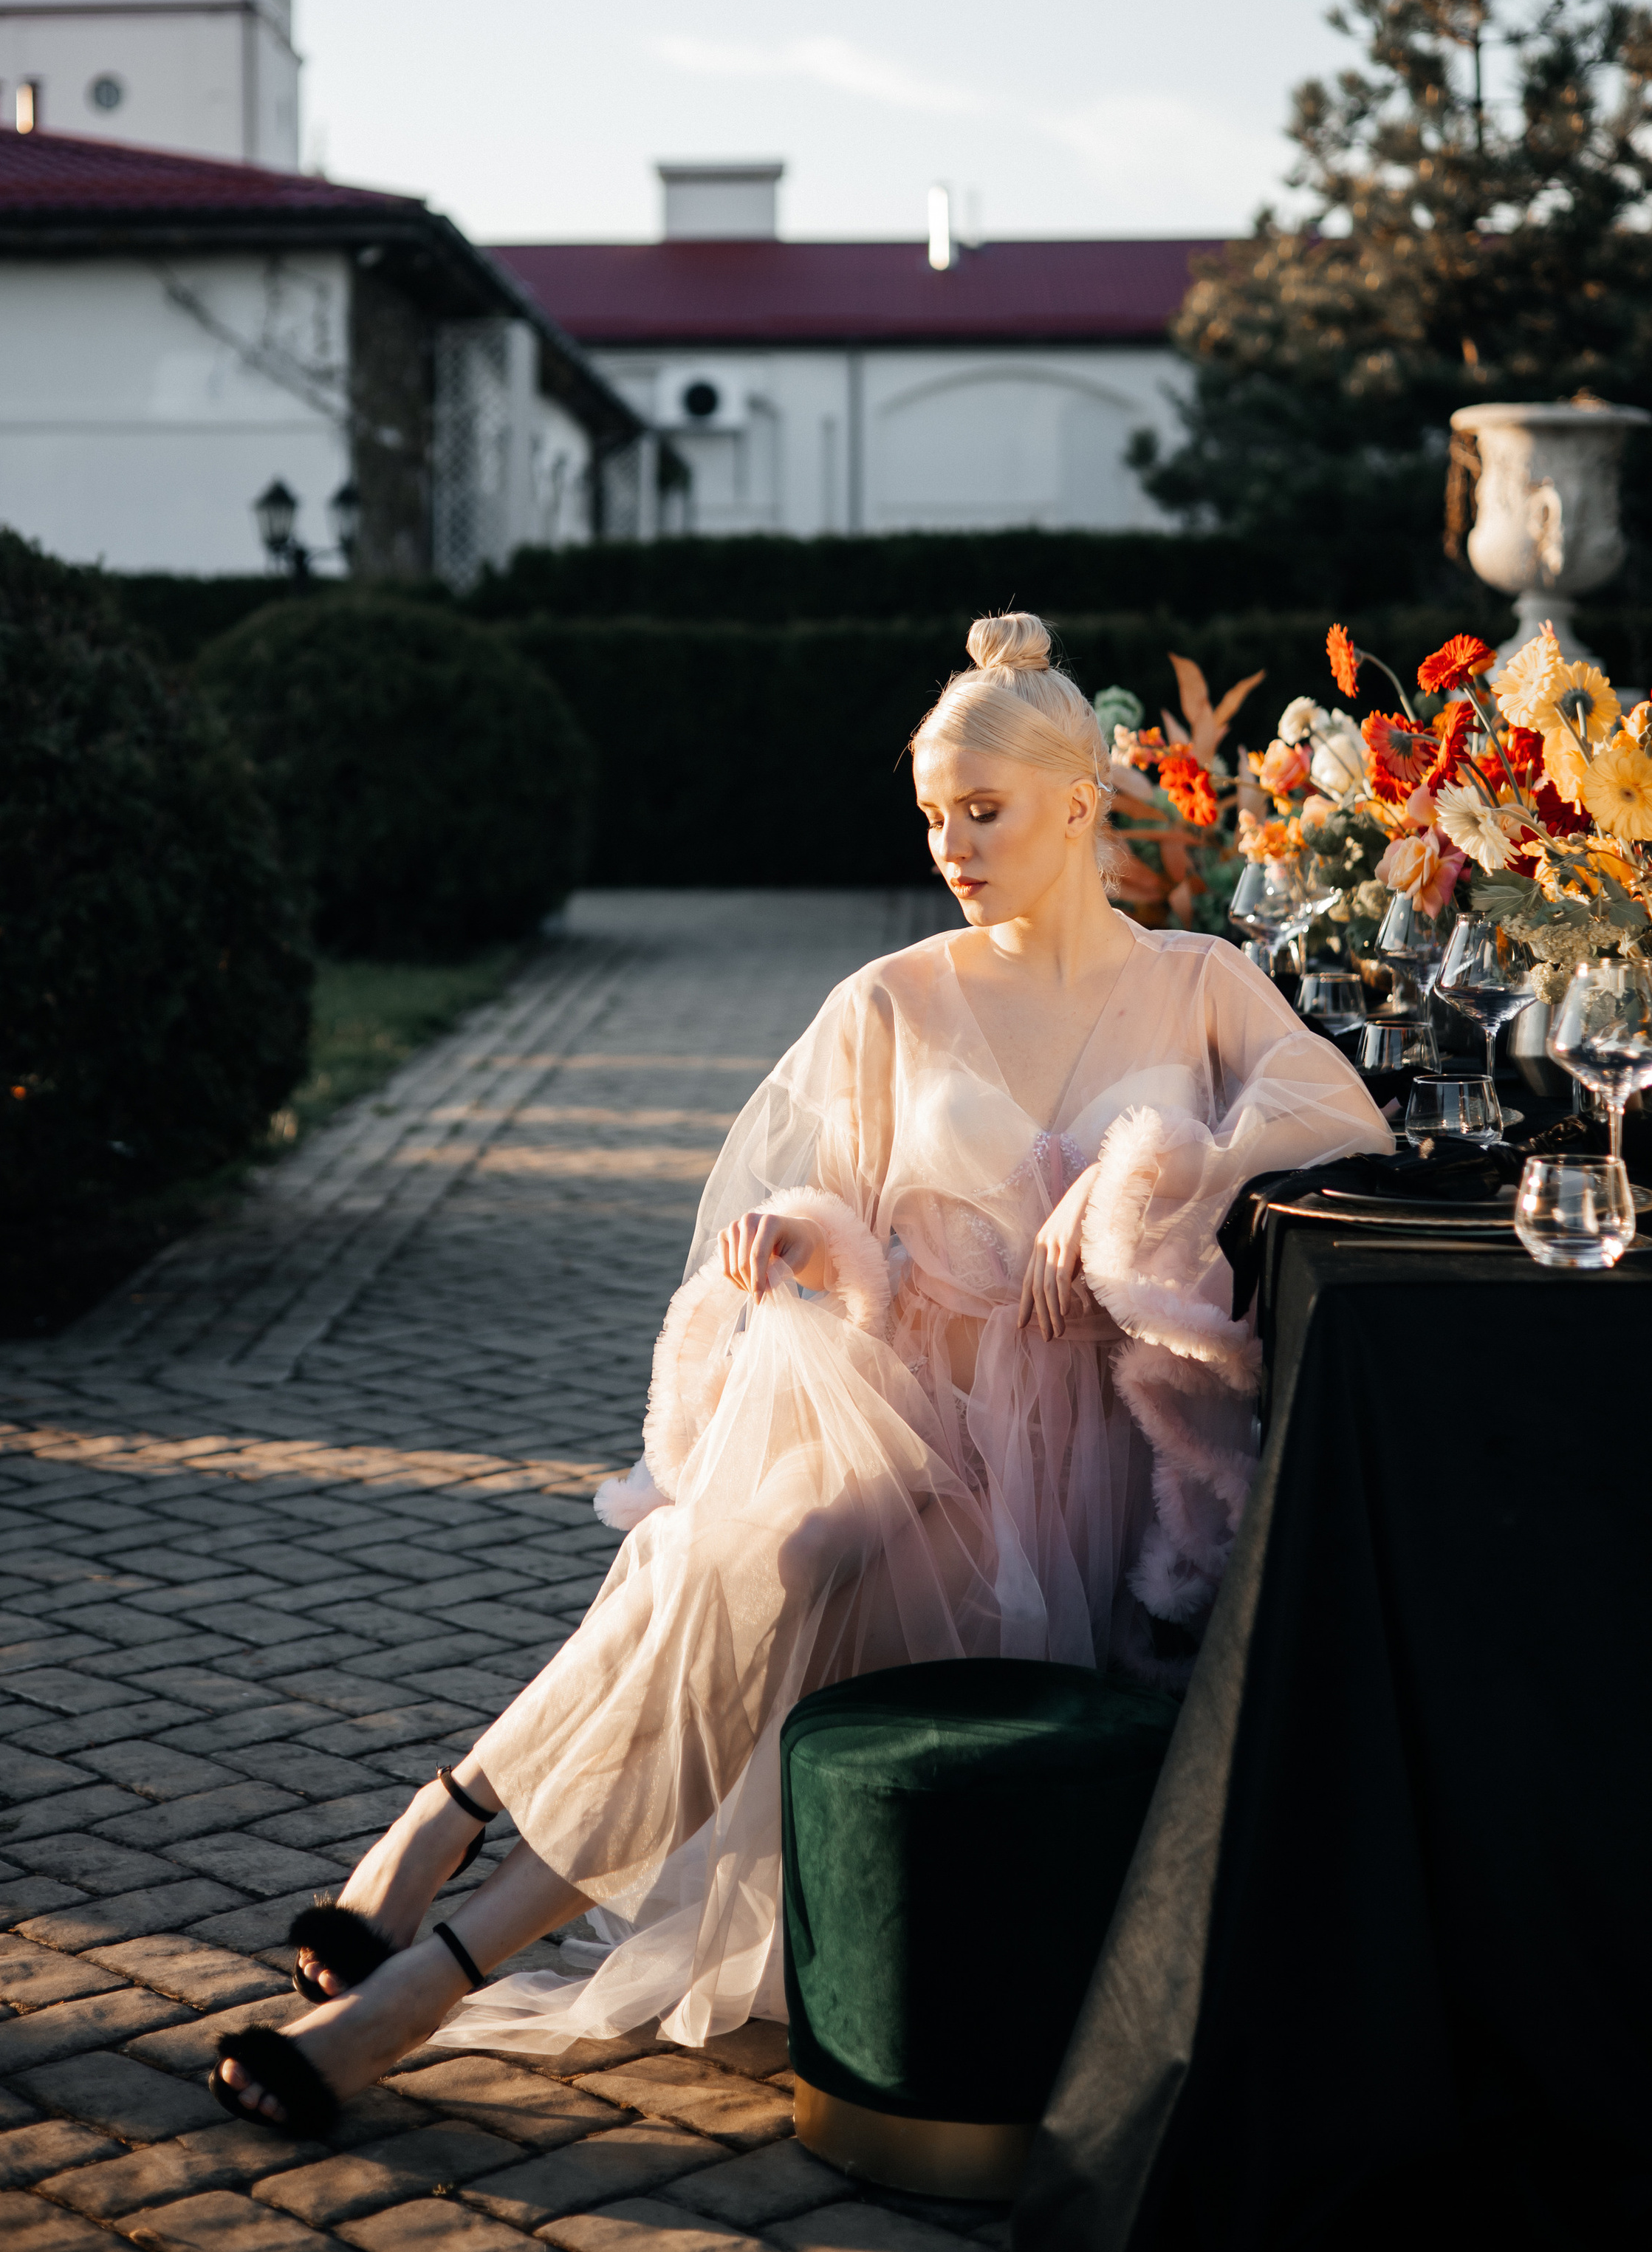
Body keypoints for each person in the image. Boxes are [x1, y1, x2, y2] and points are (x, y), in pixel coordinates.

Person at [211, 612, 1391, 2135]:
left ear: (1082, 802)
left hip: (1070, 1484)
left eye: (984, 811)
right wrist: (803, 1241)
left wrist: (1126, 1193)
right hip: (901, 1413)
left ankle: (437, 1835)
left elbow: (1331, 1122)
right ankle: (422, 1986)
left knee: (717, 1576)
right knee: (751, 1560)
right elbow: (856, 1235)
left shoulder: (1199, 981)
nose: (951, 846)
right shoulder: (888, 999)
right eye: (929, 816)